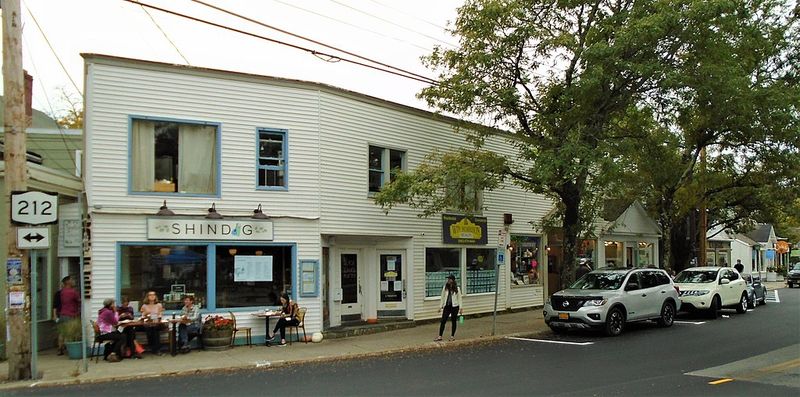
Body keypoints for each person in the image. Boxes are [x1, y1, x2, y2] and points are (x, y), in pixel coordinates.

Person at [54, 276, 81, 355]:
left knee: (62, 332)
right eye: (72, 280)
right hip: (71, 314)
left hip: (62, 314)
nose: (74, 281)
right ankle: (71, 349)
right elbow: (79, 301)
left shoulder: (62, 292)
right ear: (68, 282)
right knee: (71, 333)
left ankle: (60, 348)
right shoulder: (73, 292)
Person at [97, 298, 127, 362]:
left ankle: (109, 354)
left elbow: (112, 322)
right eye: (113, 304)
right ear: (110, 305)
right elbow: (115, 322)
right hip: (105, 333)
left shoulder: (103, 310)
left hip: (102, 333)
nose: (114, 305)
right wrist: (116, 312)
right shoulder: (108, 312)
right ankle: (113, 354)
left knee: (120, 335)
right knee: (122, 337)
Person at [435, 274, 462, 342]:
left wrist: (461, 308)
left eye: (450, 279)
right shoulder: (445, 288)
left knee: (453, 321)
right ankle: (440, 336)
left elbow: (459, 298)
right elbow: (442, 297)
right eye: (448, 279)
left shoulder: (457, 288)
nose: (448, 280)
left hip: (455, 306)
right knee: (443, 321)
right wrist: (440, 307)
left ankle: (452, 336)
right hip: (447, 306)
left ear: (453, 280)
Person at [140, 291, 165, 355]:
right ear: (147, 297)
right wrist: (146, 315)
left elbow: (160, 315)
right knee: (150, 328)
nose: (152, 296)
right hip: (148, 323)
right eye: (150, 295)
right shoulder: (144, 306)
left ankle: (156, 349)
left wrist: (157, 318)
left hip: (157, 323)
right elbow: (142, 316)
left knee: (155, 328)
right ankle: (154, 348)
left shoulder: (159, 305)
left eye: (153, 295)